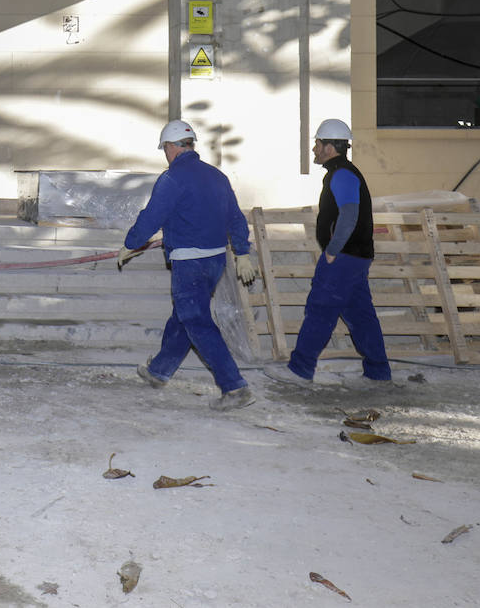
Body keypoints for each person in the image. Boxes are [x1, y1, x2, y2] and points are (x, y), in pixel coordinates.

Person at [119, 119, 260, 411]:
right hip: (215, 261)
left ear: (171, 147)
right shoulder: (217, 176)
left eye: (165, 149)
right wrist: (242, 252)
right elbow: (235, 217)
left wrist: (131, 243)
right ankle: (159, 371)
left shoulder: (173, 178)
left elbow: (151, 216)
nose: (165, 154)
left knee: (196, 320)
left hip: (189, 263)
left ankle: (234, 387)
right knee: (184, 317)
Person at [263, 119, 391, 387]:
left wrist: (333, 251)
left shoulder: (342, 174)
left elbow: (349, 214)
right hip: (357, 257)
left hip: (343, 258)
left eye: (318, 144)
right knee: (360, 315)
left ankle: (300, 370)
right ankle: (378, 373)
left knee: (321, 309)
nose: (314, 149)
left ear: (330, 147)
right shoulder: (343, 172)